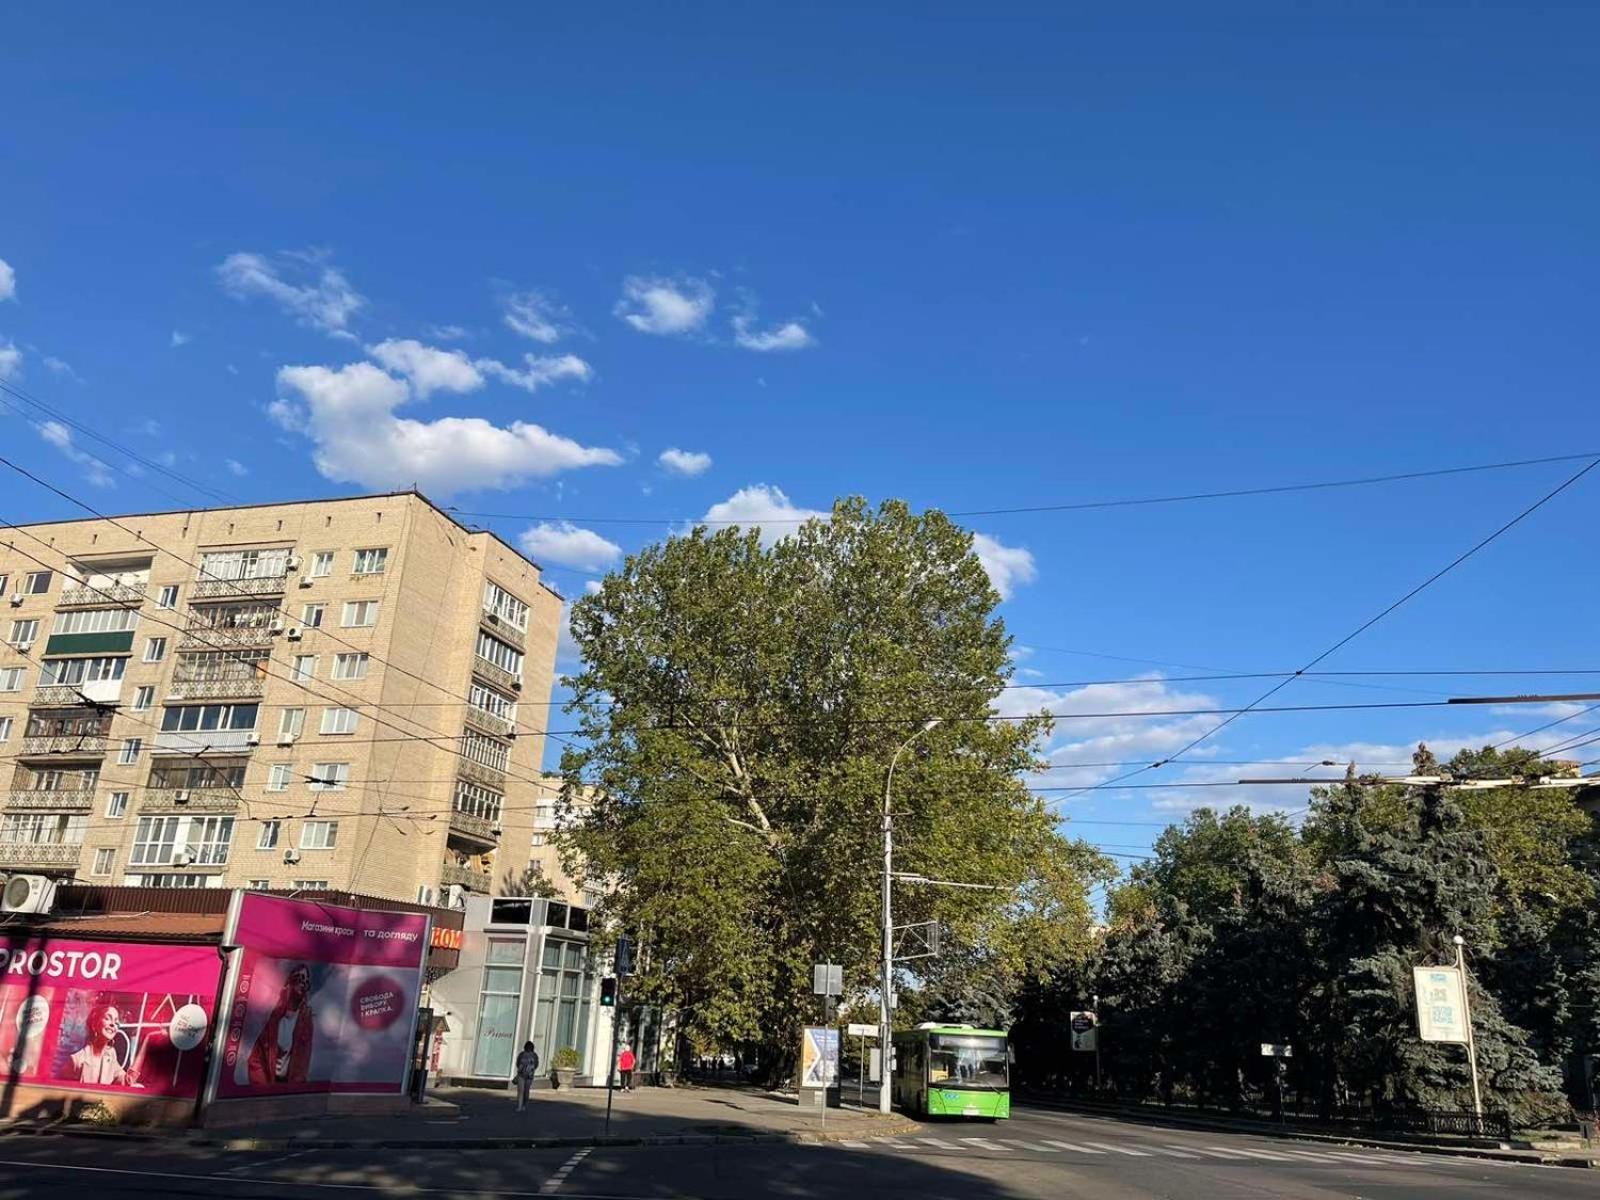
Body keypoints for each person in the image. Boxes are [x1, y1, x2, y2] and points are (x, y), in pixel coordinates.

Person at [247, 962, 315, 1085]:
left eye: (306, 981)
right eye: (299, 978)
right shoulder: (275, 1017)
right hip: (268, 1087)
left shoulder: (305, 1021)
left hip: (289, 1090)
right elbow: (256, 1059)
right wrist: (263, 1089)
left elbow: (304, 1061)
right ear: (288, 983)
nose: (303, 983)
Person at [66, 1002, 138, 1087]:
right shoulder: (76, 1061)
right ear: (94, 1024)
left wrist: (147, 1040)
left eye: (116, 1022)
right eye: (108, 1018)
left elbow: (127, 1081)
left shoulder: (111, 1055)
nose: (113, 1024)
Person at [514, 1041, 540, 1112]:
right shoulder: (531, 1055)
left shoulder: (529, 1055)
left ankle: (522, 1105)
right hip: (526, 1075)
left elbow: (518, 1063)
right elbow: (536, 1065)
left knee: (524, 1091)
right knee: (522, 1091)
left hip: (525, 1075)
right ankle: (521, 1106)